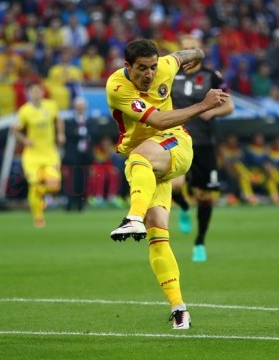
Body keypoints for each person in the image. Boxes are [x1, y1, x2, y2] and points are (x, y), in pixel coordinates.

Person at [106, 39, 229, 330]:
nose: (149, 74)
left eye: (152, 67)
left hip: (177, 143)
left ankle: (131, 218)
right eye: (142, 69)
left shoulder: (166, 65)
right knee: (158, 235)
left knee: (139, 157)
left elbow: (189, 53)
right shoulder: (117, 88)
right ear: (128, 67)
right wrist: (204, 104)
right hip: (150, 161)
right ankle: (179, 309)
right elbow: (158, 119)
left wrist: (196, 56)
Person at [170, 34, 234, 262]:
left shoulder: (211, 76)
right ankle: (184, 207)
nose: (189, 53)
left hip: (204, 142)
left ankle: (199, 241)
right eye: (185, 49)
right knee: (174, 185)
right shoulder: (170, 75)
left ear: (200, 51)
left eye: (193, 49)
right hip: (175, 138)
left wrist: (213, 111)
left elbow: (229, 106)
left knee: (204, 194)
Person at [13, 81, 66, 227]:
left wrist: (60, 134)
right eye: (33, 91)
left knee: (54, 185)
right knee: (34, 183)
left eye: (39, 90)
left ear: (42, 92)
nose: (37, 93)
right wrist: (25, 140)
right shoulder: (24, 111)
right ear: (28, 93)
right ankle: (38, 217)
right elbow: (15, 130)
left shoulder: (51, 106)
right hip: (32, 155)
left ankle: (41, 196)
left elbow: (59, 120)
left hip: (49, 153)